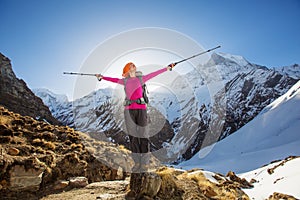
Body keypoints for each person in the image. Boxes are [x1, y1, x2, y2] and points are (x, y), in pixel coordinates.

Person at [96, 62, 175, 173]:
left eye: (133, 65)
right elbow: (112, 79)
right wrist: (102, 77)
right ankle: (137, 162)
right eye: (131, 66)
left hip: (142, 110)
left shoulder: (141, 79)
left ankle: (144, 163)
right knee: (133, 137)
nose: (134, 67)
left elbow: (155, 73)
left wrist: (167, 68)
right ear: (127, 71)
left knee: (143, 135)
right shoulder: (125, 81)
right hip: (128, 111)